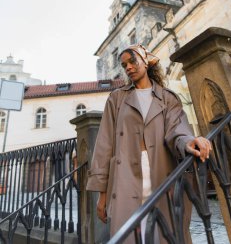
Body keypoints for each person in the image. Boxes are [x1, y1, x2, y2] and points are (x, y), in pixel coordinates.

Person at [86, 44, 212, 243]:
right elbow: (104, 145)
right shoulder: (116, 99)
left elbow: (177, 129)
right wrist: (103, 195)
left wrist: (190, 142)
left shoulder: (167, 98)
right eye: (124, 64)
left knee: (164, 232)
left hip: (161, 171)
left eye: (132, 61)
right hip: (125, 176)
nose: (128, 67)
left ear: (145, 62)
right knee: (132, 234)